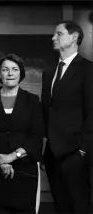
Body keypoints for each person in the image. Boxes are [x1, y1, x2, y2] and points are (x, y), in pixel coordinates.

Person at [0, 54, 43, 213]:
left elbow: (36, 136)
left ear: (21, 74)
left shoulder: (32, 100)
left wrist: (12, 157)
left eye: (14, 69)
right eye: (5, 70)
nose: (10, 74)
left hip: (24, 169)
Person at [41, 21, 93, 213]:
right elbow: (47, 112)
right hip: (53, 155)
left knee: (80, 206)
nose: (53, 38)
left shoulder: (88, 70)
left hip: (76, 153)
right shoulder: (48, 73)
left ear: (74, 37)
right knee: (61, 207)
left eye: (58, 34)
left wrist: (83, 150)